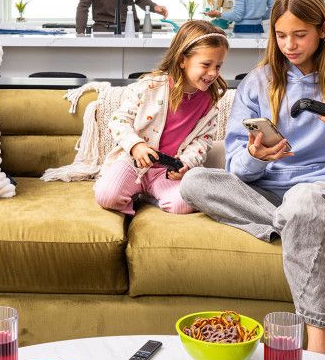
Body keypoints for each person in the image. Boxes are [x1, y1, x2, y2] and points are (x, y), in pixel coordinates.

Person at [180, 0, 325, 355]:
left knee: (302, 205)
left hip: (320, 188)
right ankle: (320, 230)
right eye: (281, 36)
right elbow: (236, 168)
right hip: (266, 189)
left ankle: (318, 344)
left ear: (322, 30)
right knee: (194, 182)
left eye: (299, 34)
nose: (289, 45)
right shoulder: (258, 82)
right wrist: (256, 156)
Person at [94, 20, 229, 215]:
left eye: (218, 66)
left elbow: (203, 140)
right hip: (133, 163)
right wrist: (136, 146)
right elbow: (119, 120)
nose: (213, 73)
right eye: (206, 65)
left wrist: (187, 162)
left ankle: (148, 197)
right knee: (106, 196)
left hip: (167, 172)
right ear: (182, 60)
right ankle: (137, 191)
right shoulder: (152, 86)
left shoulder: (209, 101)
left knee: (183, 205)